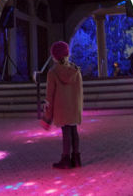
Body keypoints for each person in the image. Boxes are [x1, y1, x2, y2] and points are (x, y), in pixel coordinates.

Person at [45, 41, 83, 169]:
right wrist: (78, 107)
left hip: (61, 108)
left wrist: (48, 114)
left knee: (65, 131)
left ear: (54, 56)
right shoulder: (75, 71)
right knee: (74, 130)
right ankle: (76, 159)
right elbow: (79, 92)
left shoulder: (53, 73)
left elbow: (49, 95)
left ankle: (66, 159)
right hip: (73, 106)